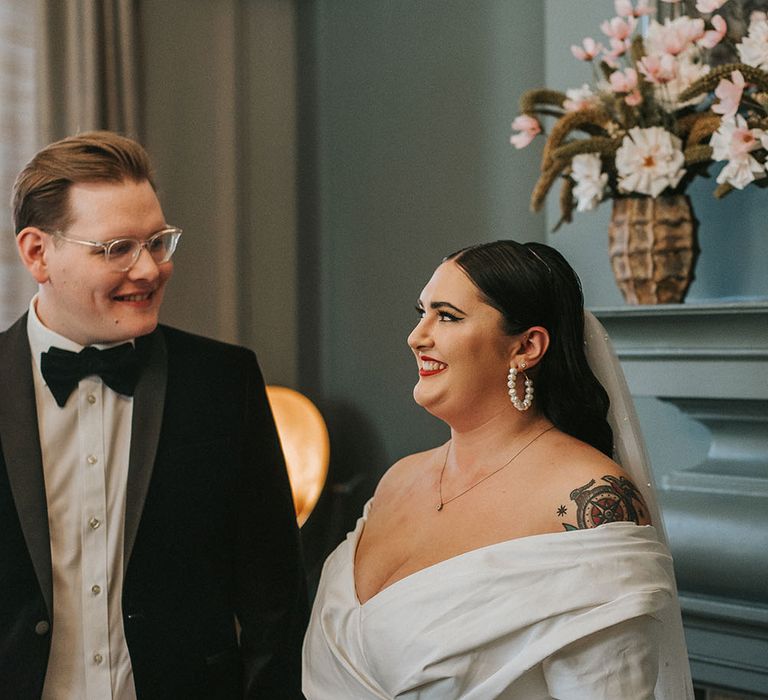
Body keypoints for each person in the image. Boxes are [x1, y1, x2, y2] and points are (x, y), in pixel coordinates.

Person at [302, 240, 694, 699]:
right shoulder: (398, 479)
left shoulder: (591, 499)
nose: (416, 336)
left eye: (446, 316)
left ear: (527, 347)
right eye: (421, 312)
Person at [0, 131, 307, 699]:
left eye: (158, 242)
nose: (149, 270)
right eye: (117, 248)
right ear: (37, 252)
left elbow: (275, 603)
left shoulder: (224, 382)